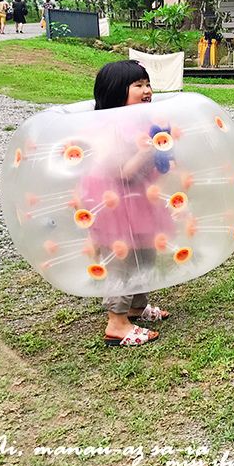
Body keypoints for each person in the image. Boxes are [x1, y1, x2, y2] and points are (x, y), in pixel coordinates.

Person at [85, 60, 171, 346]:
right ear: (116, 91)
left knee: (144, 253)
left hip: (137, 200)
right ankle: (117, 322)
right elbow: (122, 172)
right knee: (122, 259)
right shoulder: (109, 127)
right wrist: (148, 150)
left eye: (148, 84)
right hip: (115, 202)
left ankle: (136, 306)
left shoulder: (137, 120)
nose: (147, 91)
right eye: (138, 86)